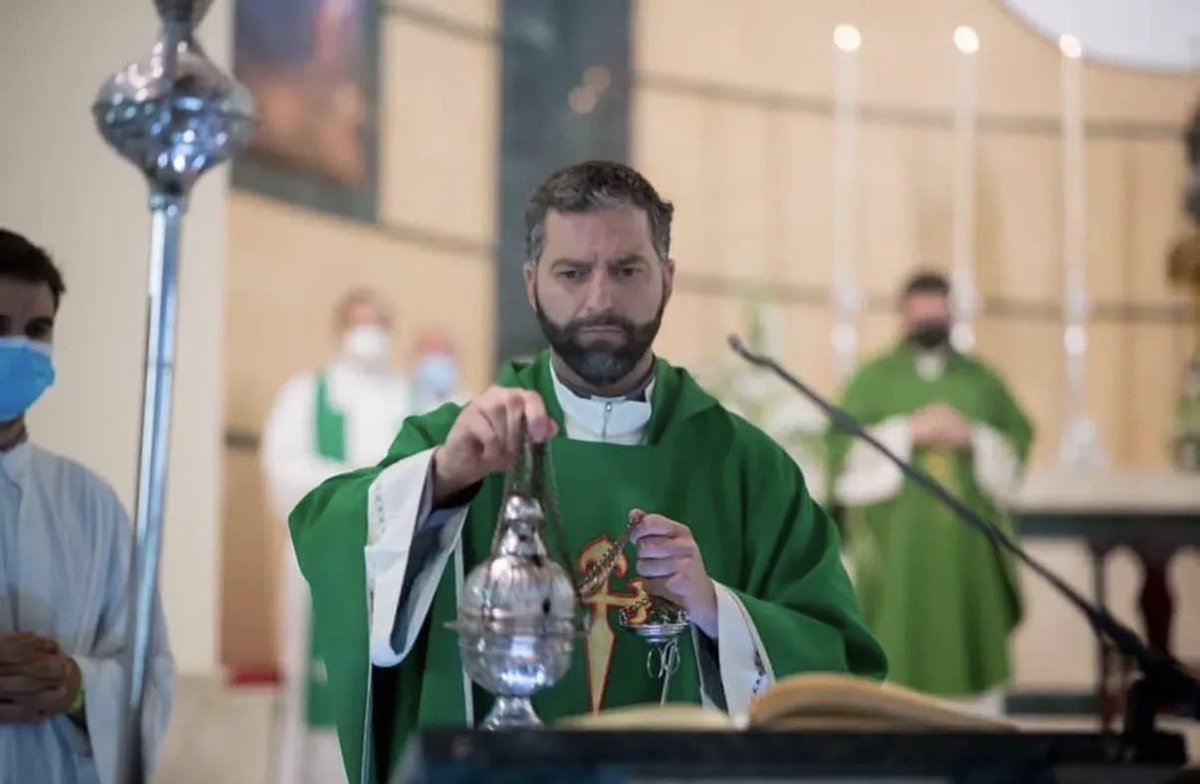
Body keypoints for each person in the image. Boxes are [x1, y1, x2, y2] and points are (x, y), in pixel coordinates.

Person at [290, 161, 887, 783]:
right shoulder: (464, 441)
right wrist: (439, 482)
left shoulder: (747, 469)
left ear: (668, 280)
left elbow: (837, 668)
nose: (600, 298)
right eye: (572, 273)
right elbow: (329, 535)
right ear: (531, 283)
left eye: (627, 270)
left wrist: (716, 609)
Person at [0, 227, 174, 782]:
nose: (18, 349)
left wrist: (76, 686)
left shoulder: (89, 503)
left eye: (37, 331)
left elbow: (151, 677)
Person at [827, 271, 1034, 715]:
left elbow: (1017, 439)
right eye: (919, 310)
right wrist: (907, 431)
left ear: (951, 312)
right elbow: (840, 450)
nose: (928, 318)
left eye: (937, 308)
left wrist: (974, 437)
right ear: (903, 315)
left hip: (968, 555)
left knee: (971, 657)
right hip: (899, 552)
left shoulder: (981, 380)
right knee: (897, 655)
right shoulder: (874, 380)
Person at [261, 288, 412, 784]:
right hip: (323, 561)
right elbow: (284, 472)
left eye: (379, 324)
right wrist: (367, 491)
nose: (370, 336)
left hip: (396, 565)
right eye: (360, 323)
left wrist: (384, 496)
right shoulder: (307, 395)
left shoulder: (413, 399)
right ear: (342, 328)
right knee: (320, 697)